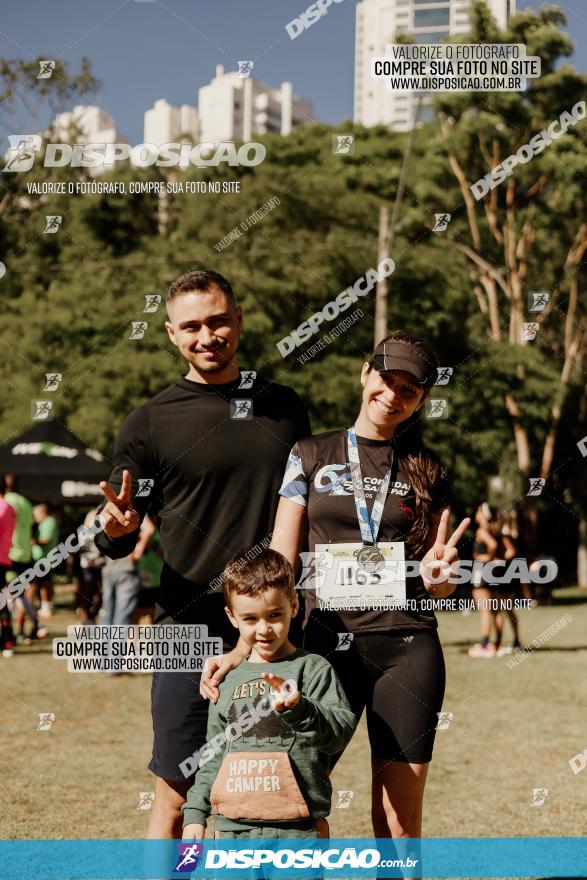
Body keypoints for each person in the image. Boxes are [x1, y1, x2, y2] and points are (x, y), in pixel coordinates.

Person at [204, 331, 469, 840]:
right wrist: (243, 646)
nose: (392, 395)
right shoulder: (309, 453)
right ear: (366, 374)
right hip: (321, 647)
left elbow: (438, 580)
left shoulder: (428, 470)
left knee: (397, 818)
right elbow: (279, 561)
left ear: (422, 401)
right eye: (386, 380)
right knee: (287, 790)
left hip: (406, 647)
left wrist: (441, 577)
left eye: (409, 390)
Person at [95, 269, 310, 838]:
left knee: (274, 793)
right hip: (184, 629)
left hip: (272, 628)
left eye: (217, 320)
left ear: (238, 320)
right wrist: (116, 526)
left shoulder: (285, 409)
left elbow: (305, 507)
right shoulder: (149, 422)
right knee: (176, 793)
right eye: (191, 326)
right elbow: (117, 522)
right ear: (171, 334)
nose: (206, 335)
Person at [182, 548, 355, 841]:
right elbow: (212, 755)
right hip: (232, 832)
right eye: (250, 618)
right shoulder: (226, 680)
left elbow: (338, 735)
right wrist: (195, 815)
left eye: (275, 615)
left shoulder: (313, 669)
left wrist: (301, 708)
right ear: (232, 617)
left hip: (298, 833)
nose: (264, 629)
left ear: (294, 606)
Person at [4, 475, 47, 642]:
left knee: (10, 594)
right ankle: (30, 626)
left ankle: (13, 632)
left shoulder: (5, 501)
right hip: (25, 554)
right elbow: (31, 527)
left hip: (9, 553)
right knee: (18, 594)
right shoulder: (26, 503)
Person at [32, 503, 59, 618]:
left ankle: (46, 607)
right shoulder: (47, 522)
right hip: (44, 558)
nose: (35, 517)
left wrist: (32, 541)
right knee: (44, 583)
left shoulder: (49, 522)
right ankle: (46, 605)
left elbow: (45, 540)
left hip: (45, 559)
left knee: (43, 584)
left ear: (43, 513)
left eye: (36, 514)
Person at [0, 477, 17, 657]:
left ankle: (6, 641)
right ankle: (7, 639)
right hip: (4, 558)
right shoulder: (10, 508)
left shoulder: (1, 507)